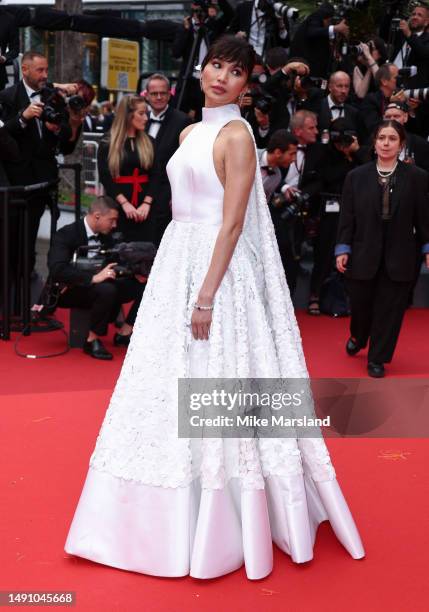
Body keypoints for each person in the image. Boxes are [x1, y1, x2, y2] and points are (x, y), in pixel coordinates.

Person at [65, 35, 364, 580]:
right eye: (217, 65)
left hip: (217, 273)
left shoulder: (237, 136)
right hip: (177, 262)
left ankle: (224, 518)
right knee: (165, 382)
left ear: (248, 85)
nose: (222, 76)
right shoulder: (187, 131)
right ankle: (152, 516)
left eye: (236, 71)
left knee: (217, 375)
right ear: (204, 70)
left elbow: (232, 222)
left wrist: (206, 294)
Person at [336, 120, 429, 378]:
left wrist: (427, 248)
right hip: (363, 251)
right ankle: (359, 334)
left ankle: (377, 358)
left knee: (390, 309)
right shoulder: (356, 177)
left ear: (401, 144)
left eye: (392, 139)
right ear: (374, 143)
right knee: (361, 304)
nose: (386, 143)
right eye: (382, 138)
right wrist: (342, 248)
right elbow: (347, 217)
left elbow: (424, 218)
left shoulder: (418, 178)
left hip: (401, 255)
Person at [0, 50, 82, 274]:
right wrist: (23, 118)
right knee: (10, 235)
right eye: (40, 70)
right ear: (24, 70)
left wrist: (64, 127)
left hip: (43, 180)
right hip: (14, 181)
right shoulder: (7, 97)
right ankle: (10, 280)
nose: (44, 74)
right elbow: (3, 135)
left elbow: (66, 141)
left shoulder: (53, 97)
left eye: (46, 70)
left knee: (31, 233)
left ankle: (27, 274)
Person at [48, 196, 146, 358]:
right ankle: (91, 338)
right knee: (106, 289)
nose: (114, 225)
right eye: (112, 220)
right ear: (97, 216)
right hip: (69, 290)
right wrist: (93, 278)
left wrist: (132, 271)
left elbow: (115, 261)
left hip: (103, 284)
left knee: (143, 286)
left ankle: (124, 332)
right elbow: (57, 270)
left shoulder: (107, 235)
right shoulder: (66, 234)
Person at [97, 95, 157, 244]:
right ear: (128, 115)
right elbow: (106, 177)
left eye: (146, 114)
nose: (146, 118)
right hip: (117, 208)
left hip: (145, 209)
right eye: (141, 113)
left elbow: (157, 174)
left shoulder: (150, 142)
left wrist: (146, 204)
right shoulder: (107, 142)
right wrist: (124, 203)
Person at [144, 73, 192, 245]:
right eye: (154, 93)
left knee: (161, 238)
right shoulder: (138, 117)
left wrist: (178, 194)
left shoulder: (182, 120)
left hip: (167, 190)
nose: (158, 97)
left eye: (162, 93)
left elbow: (187, 161)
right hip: (140, 188)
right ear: (146, 95)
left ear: (169, 94)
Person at [289, 2, 349, 79]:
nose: (330, 23)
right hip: (305, 70)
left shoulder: (322, 28)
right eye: (330, 21)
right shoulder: (315, 18)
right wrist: (335, 28)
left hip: (317, 71)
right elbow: (312, 32)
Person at [383, 101, 429, 172]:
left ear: (405, 117)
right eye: (388, 117)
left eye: (396, 116)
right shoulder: (376, 142)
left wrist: (413, 167)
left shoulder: (419, 143)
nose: (392, 120)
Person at [392, 3, 429, 88]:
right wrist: (389, 12)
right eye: (413, 14)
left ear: (426, 22)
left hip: (409, 90)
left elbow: (423, 52)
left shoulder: (426, 39)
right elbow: (383, 34)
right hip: (389, 83)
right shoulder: (402, 35)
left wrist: (409, 34)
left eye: (419, 15)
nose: (415, 17)